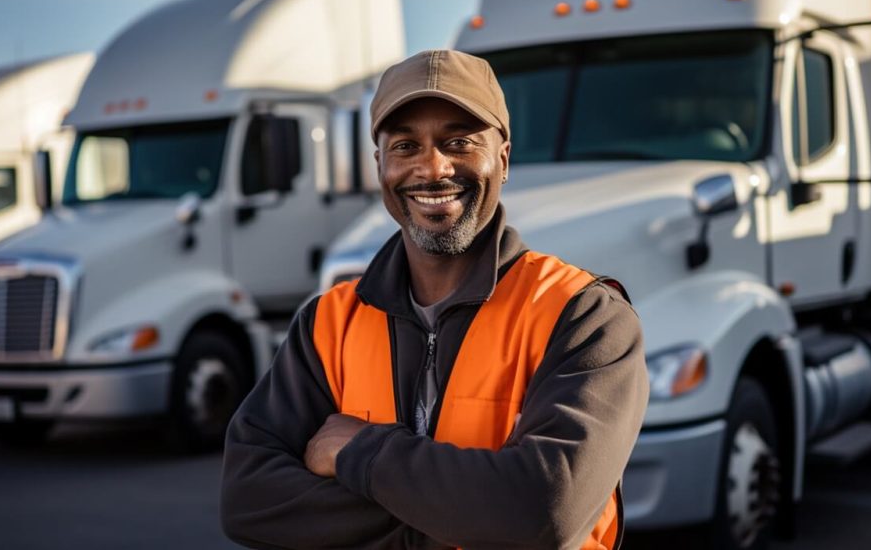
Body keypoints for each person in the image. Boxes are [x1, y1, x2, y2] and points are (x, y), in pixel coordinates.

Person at [221, 49, 649, 550]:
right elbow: (248, 498)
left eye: (459, 142)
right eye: (405, 146)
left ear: (503, 159)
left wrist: (361, 454)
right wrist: (459, 517)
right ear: (380, 165)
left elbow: (544, 511)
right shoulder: (327, 323)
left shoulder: (584, 316)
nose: (433, 168)